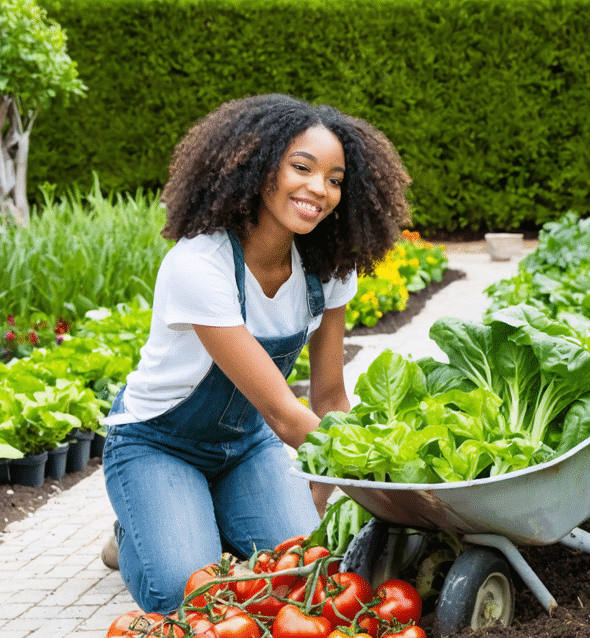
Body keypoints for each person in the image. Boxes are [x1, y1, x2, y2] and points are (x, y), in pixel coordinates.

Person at [100, 94, 411, 612]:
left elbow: (330, 398)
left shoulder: (327, 269)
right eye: (302, 168)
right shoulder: (201, 264)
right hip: (159, 444)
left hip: (246, 446)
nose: (320, 189)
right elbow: (283, 413)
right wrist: (388, 472)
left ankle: (199, 518)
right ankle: (136, 527)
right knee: (191, 594)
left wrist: (318, 499)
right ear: (260, 168)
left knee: (311, 577)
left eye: (335, 179)